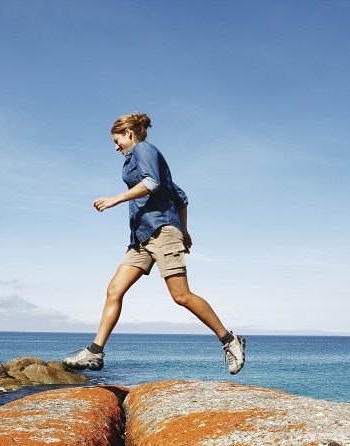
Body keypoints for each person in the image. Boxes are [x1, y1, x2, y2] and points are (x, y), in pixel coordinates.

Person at [63, 112, 246, 374]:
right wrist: (185, 229)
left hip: (161, 232)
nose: (116, 147)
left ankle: (230, 341)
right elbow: (180, 196)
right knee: (114, 289)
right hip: (141, 238)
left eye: (117, 141)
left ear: (128, 133)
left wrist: (115, 199)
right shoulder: (133, 159)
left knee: (181, 295)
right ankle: (95, 353)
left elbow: (152, 183)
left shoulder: (143, 149)